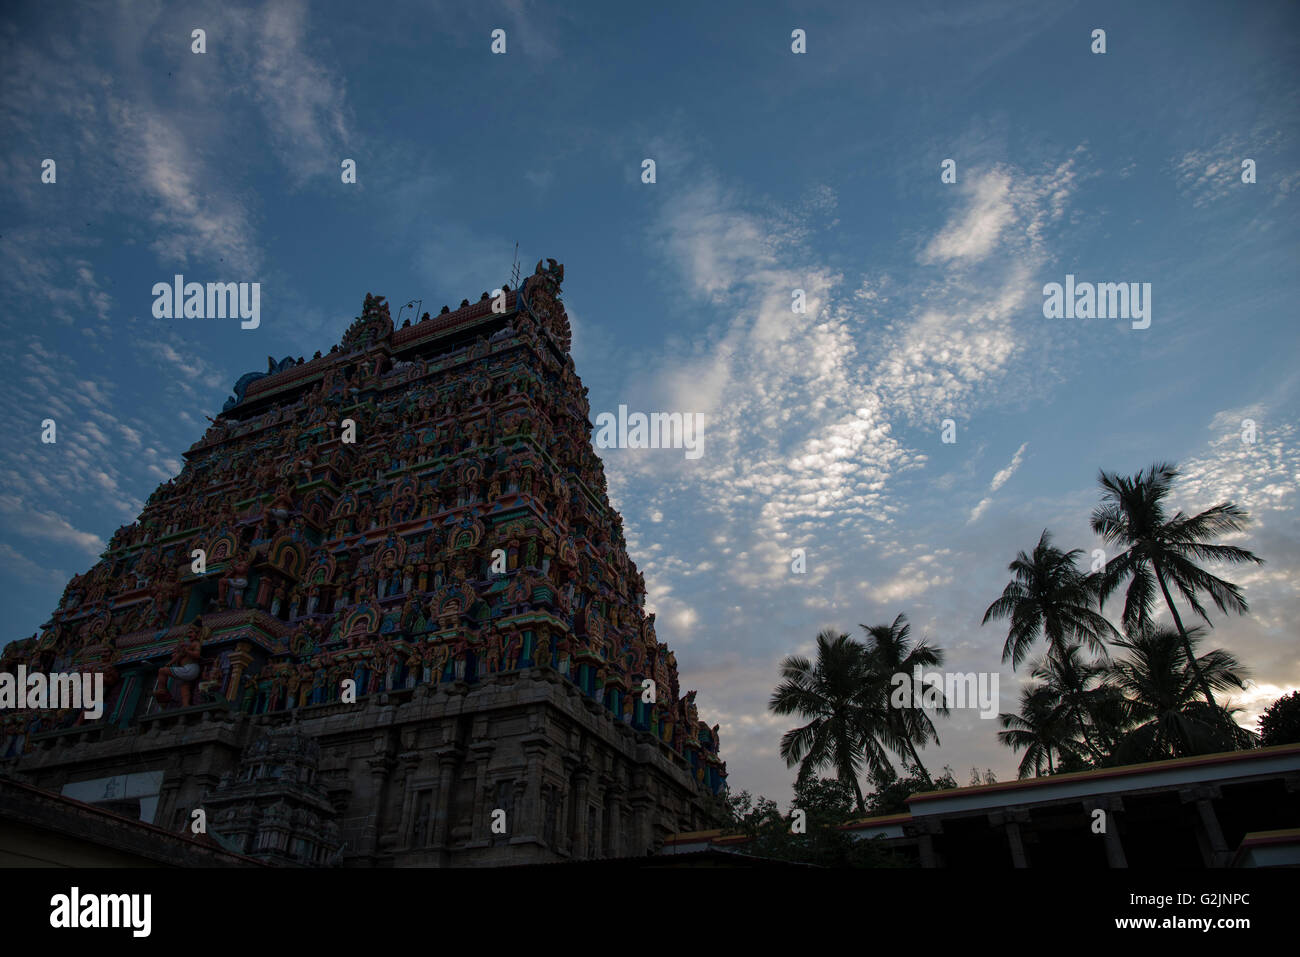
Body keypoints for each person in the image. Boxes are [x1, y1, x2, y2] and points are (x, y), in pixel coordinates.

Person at [154, 618, 205, 706]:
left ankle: (162, 690)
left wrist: (186, 651)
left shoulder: (195, 643)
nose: (189, 635)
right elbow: (179, 656)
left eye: (191, 632)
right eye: (188, 633)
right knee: (184, 687)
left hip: (191, 668)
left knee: (162, 671)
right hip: (187, 669)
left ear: (198, 633)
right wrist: (170, 663)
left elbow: (197, 654)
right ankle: (186, 705)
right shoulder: (187, 645)